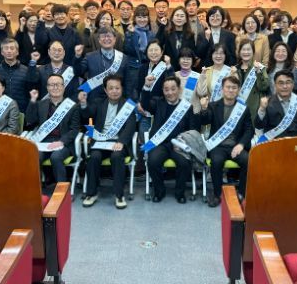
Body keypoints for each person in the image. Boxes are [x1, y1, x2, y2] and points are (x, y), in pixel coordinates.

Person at [79, 74, 137, 209]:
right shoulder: (98, 102)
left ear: (122, 89)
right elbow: (86, 115)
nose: (114, 91)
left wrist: (121, 142)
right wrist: (83, 104)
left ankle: (119, 195)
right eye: (111, 88)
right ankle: (91, 193)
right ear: (105, 90)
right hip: (101, 141)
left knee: (117, 157)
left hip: (118, 142)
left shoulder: (128, 105)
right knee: (94, 157)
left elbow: (131, 126)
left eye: (117, 88)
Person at [141, 75, 201, 203]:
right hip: (160, 143)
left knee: (184, 163)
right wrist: (146, 86)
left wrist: (183, 141)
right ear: (163, 91)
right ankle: (159, 191)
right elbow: (145, 104)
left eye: (173, 89)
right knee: (153, 161)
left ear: (179, 89)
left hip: (179, 144)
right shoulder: (158, 103)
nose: (170, 92)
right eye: (166, 89)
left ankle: (180, 193)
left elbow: (193, 129)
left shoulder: (187, 107)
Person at [199, 75, 253, 207]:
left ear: (238, 90)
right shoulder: (213, 106)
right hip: (218, 146)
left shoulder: (243, 108)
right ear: (222, 89)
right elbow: (204, 121)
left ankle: (241, 193)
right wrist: (204, 108)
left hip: (236, 146)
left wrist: (241, 145)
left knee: (248, 161)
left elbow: (249, 130)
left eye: (234, 88)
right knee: (216, 161)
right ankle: (217, 194)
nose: (231, 90)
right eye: (228, 87)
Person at [26, 73, 81, 183]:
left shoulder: (72, 106)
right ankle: (35, 189)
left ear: (63, 87)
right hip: (44, 142)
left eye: (58, 84)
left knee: (56, 157)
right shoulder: (41, 104)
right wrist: (33, 100)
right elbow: (30, 120)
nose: (55, 87)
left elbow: (74, 129)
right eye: (51, 85)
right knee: (34, 157)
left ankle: (62, 190)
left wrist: (61, 142)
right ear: (47, 88)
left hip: (63, 143)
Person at [74, 27, 133, 105]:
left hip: (117, 100)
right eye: (103, 36)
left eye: (109, 36)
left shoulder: (123, 58)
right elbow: (78, 72)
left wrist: (128, 101)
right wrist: (77, 57)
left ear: (115, 39)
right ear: (99, 40)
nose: (106, 38)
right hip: (95, 101)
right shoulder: (89, 57)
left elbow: (128, 82)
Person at [256, 70, 297, 140]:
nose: (285, 86)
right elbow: (259, 126)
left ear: (293, 84)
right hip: (274, 144)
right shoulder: (267, 102)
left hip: (296, 143)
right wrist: (262, 109)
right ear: (275, 85)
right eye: (281, 83)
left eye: (288, 82)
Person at [0, 38, 38, 113]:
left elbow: (31, 89)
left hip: (21, 111)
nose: (9, 51)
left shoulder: (26, 70)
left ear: (17, 52)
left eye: (12, 48)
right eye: (6, 48)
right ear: (2, 52)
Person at [137, 40, 174, 134]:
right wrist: (138, 103)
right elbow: (137, 88)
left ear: (162, 52)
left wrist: (168, 66)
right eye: (151, 50)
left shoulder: (166, 68)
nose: (153, 53)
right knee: (143, 138)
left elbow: (172, 84)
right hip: (145, 113)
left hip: (161, 113)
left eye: (156, 50)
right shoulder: (142, 68)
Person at [122, 4, 156, 100]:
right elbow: (127, 50)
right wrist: (131, 34)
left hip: (148, 68)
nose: (142, 20)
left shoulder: (151, 34)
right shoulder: (130, 32)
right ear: (135, 18)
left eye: (144, 17)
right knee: (132, 95)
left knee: (146, 94)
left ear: (148, 18)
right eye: (139, 17)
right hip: (133, 68)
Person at [234, 39, 269, 125]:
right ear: (239, 52)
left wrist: (258, 72)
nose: (246, 52)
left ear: (253, 52)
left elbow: (264, 87)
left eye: (248, 49)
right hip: (237, 109)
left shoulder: (260, 67)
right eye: (243, 49)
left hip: (254, 108)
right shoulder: (234, 69)